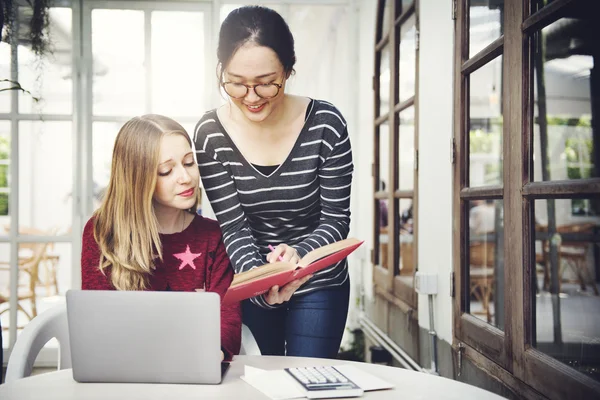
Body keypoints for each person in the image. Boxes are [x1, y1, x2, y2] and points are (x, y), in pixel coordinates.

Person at [194, 6, 354, 358]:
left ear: (289, 70)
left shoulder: (326, 124)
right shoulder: (211, 134)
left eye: (267, 83)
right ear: (221, 70)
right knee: (256, 383)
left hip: (319, 280)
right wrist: (262, 281)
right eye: (236, 83)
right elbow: (233, 228)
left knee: (308, 379)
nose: (251, 98)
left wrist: (299, 255)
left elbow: (336, 220)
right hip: (251, 276)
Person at [81, 114, 241, 361]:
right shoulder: (102, 232)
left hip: (196, 374)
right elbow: (95, 324)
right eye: (166, 171)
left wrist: (209, 355)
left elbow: (227, 322)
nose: (185, 177)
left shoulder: (214, 236)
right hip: (123, 372)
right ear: (137, 179)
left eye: (189, 163)